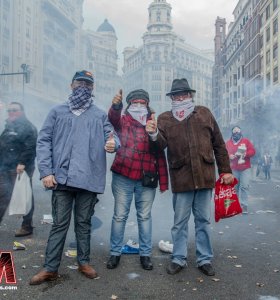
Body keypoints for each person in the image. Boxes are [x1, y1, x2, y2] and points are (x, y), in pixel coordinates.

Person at [30, 70, 120, 285]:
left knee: (83, 223)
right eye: (80, 83)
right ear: (71, 85)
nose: (84, 87)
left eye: (88, 84)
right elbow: (43, 142)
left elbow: (113, 136)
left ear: (92, 88)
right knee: (59, 224)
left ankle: (83, 262)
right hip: (61, 179)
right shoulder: (57, 111)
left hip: (88, 180)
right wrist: (46, 172)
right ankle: (50, 268)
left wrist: (113, 144)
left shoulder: (99, 115)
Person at [145, 78, 234, 277]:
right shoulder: (165, 118)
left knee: (203, 220)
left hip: (204, 176)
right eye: (177, 95)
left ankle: (204, 259)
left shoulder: (204, 113)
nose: (181, 97)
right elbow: (159, 146)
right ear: (172, 97)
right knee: (179, 223)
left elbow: (219, 144)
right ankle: (178, 258)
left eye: (184, 94)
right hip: (181, 178)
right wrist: (152, 134)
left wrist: (225, 170)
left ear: (190, 95)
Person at [106, 89, 168, 271]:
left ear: (147, 105)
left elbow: (162, 145)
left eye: (142, 103)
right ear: (129, 105)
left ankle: (145, 255)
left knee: (144, 216)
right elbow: (112, 119)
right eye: (135, 103)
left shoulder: (154, 122)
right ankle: (115, 253)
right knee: (119, 216)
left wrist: (154, 133)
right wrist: (116, 106)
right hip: (123, 175)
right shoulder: (123, 120)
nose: (139, 106)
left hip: (146, 178)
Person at [0, 101, 37, 236]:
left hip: (20, 168)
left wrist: (22, 163)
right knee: (2, 196)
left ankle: (27, 226)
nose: (11, 112)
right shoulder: (8, 126)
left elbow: (30, 147)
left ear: (21, 112)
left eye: (14, 110)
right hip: (5, 167)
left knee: (25, 196)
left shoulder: (28, 127)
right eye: (9, 110)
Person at [225, 126, 256, 213]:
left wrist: (245, 154)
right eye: (234, 131)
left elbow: (253, 151)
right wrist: (229, 155)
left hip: (245, 167)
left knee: (244, 186)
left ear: (241, 132)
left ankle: (244, 205)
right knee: (234, 187)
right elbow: (223, 152)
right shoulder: (228, 143)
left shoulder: (246, 141)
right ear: (232, 133)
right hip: (234, 168)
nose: (236, 133)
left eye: (238, 131)